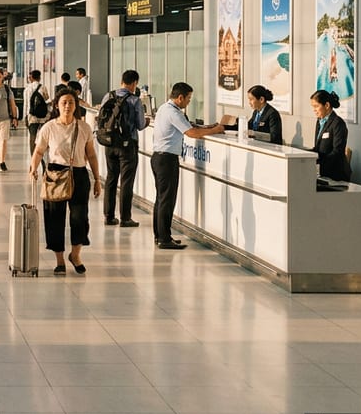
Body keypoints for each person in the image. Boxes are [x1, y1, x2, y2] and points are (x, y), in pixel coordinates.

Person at [29, 90, 101, 275]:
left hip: (78, 174)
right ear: (56, 106)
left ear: (76, 105)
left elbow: (91, 154)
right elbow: (39, 151)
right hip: (55, 174)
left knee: (79, 217)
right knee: (54, 218)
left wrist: (97, 179)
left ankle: (75, 255)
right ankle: (59, 260)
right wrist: (33, 168)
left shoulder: (84, 128)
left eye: (71, 102)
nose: (67, 106)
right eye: (64, 103)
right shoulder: (49, 127)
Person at [150, 82, 224, 249]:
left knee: (161, 199)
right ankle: (164, 238)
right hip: (166, 160)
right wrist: (216, 130)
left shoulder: (165, 108)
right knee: (166, 200)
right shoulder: (173, 112)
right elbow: (192, 133)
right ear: (180, 97)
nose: (189, 102)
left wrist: (208, 127)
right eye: (188, 98)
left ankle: (160, 235)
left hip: (159, 158)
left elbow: (190, 126)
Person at [101, 70, 148, 227]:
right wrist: (146, 121)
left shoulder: (108, 96)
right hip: (128, 146)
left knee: (111, 179)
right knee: (126, 182)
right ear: (134, 83)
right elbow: (140, 125)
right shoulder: (134, 100)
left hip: (109, 144)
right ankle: (125, 218)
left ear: (122, 81)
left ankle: (108, 216)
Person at [309, 89, 351, 181]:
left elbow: (337, 152)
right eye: (313, 107)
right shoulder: (319, 121)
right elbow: (317, 148)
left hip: (335, 175)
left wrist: (320, 164)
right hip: (322, 172)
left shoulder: (338, 123)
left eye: (316, 106)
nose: (314, 110)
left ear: (327, 105)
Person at [23, 70, 51, 153]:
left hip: (32, 116)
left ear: (31, 78)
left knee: (32, 136)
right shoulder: (43, 87)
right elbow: (46, 99)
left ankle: (33, 156)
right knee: (43, 135)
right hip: (43, 115)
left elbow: (26, 104)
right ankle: (42, 154)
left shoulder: (27, 89)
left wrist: (26, 116)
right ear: (39, 77)